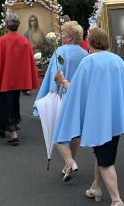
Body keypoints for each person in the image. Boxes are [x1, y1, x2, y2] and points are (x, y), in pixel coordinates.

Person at [53, 27, 124, 206]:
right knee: (102, 151)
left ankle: (117, 200)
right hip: (115, 117)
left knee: (105, 160)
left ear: (91, 42)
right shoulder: (117, 60)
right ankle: (96, 188)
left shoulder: (88, 62)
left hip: (99, 118)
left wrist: (63, 82)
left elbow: (77, 91)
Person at [36, 21, 89, 179]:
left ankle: (69, 162)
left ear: (70, 37)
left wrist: (50, 94)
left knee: (58, 132)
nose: (61, 36)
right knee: (74, 133)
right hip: (78, 97)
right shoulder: (84, 54)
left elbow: (55, 77)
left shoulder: (60, 51)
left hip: (63, 96)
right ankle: (68, 165)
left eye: (64, 33)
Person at [0, 12, 40, 145]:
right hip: (17, 79)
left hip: (4, 79)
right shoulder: (24, 41)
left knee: (3, 102)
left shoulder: (1, 41)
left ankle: (13, 132)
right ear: (17, 26)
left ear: (6, 26)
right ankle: (3, 127)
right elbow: (28, 62)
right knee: (13, 101)